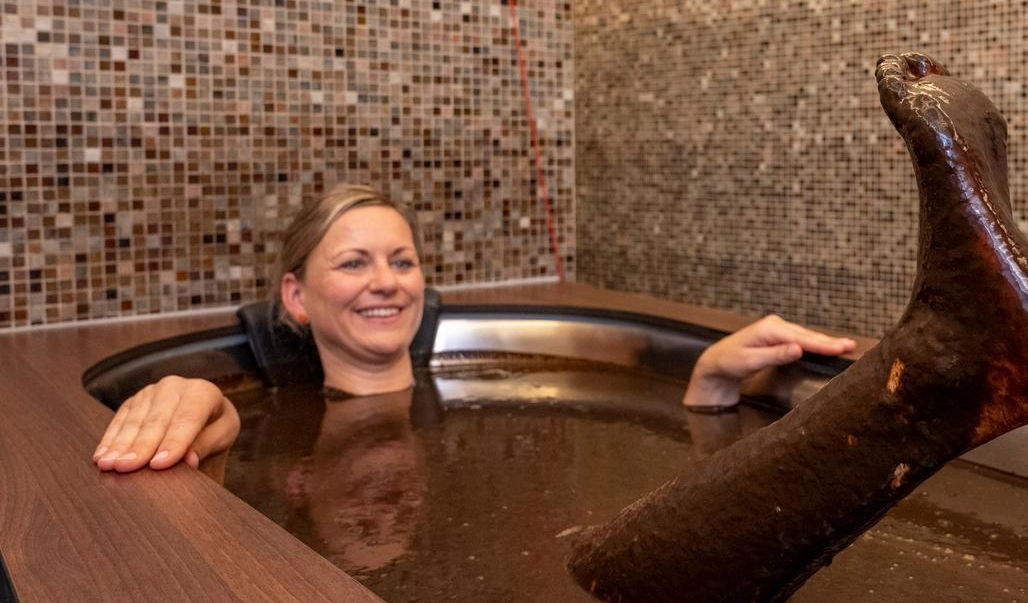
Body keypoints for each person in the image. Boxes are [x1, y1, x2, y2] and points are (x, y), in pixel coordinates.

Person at [92, 184, 855, 477]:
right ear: (296, 296)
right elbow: (221, 433)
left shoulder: (477, 404)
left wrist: (707, 386)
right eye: (354, 264)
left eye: (402, 260)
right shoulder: (271, 423)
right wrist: (196, 398)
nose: (387, 281)